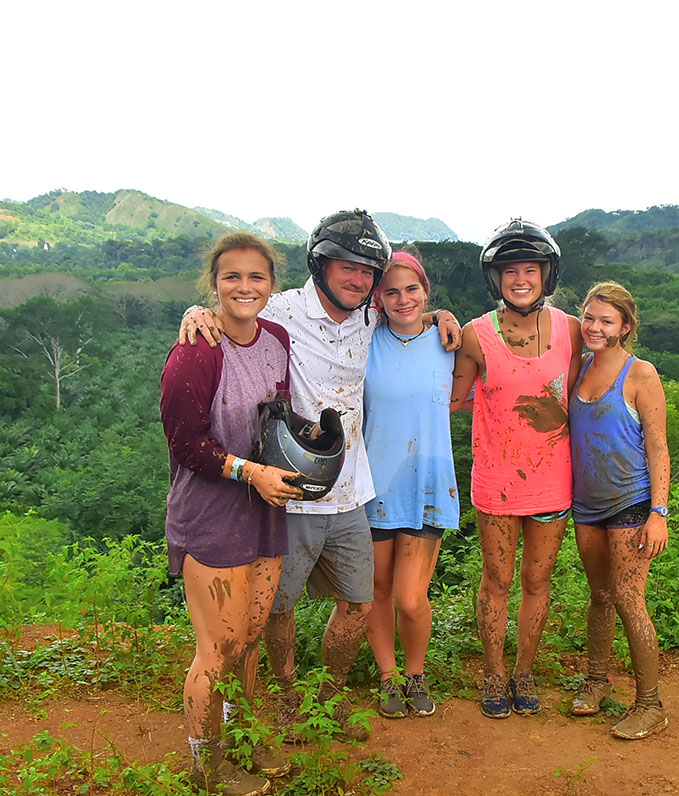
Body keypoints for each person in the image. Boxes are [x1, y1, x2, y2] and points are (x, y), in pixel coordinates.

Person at [178, 211, 459, 734]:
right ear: (320, 264)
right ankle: (286, 701)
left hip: (352, 489)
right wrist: (199, 311)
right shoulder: (282, 311)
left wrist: (445, 316)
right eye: (346, 267)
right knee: (278, 609)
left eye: (366, 272)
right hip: (288, 490)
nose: (357, 279)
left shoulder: (370, 319)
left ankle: (325, 699)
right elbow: (237, 307)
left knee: (358, 603)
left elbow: (411, 317)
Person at [160, 233, 304, 796]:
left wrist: (302, 449)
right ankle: (205, 766)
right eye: (232, 277)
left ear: (272, 285)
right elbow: (186, 444)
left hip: (265, 510)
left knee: (247, 637)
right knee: (215, 651)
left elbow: (274, 416)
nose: (245, 287)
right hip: (214, 515)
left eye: (257, 277)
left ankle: (243, 737)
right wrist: (251, 472)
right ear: (214, 284)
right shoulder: (196, 351)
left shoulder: (277, 339)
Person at [450, 220, 583, 719]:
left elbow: (576, 396)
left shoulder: (570, 329)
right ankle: (492, 671)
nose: (520, 279)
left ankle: (524, 671)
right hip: (498, 481)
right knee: (497, 578)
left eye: (531, 269)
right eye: (510, 271)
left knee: (538, 580)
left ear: (546, 275)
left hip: (554, 481)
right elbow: (455, 398)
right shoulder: (476, 335)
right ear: (496, 279)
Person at [567, 281, 671, 739]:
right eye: (589, 317)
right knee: (601, 596)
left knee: (630, 599)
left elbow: (658, 447)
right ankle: (595, 682)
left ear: (625, 326)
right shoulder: (579, 369)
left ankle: (651, 704)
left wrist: (659, 512)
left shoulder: (639, 374)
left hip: (631, 502)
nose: (593, 326)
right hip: (586, 506)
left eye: (606, 320)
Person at [363, 248, 459, 719]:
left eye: (413, 289)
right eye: (392, 291)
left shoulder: (451, 343)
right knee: (376, 591)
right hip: (373, 485)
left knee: (410, 596)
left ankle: (415, 672)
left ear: (427, 291)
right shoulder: (363, 340)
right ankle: (387, 677)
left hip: (426, 482)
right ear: (378, 299)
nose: (403, 300)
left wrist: (446, 317)